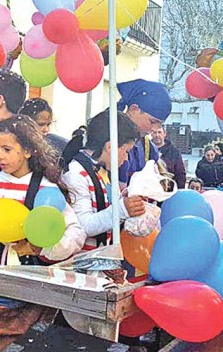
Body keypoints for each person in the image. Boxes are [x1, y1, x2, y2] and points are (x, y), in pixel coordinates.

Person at [0, 115, 86, 270]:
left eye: (7, 149)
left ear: (28, 151)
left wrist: (45, 249)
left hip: (30, 271)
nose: (0, 155)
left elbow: (76, 233)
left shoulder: (46, 189)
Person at [62, 111, 144, 251]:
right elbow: (81, 226)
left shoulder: (106, 172)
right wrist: (122, 209)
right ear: (110, 147)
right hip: (79, 265)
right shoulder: (76, 174)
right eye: (126, 151)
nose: (126, 159)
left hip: (100, 262)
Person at [117, 80, 172, 184]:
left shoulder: (146, 145)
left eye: (159, 124)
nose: (154, 129)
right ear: (134, 109)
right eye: (152, 122)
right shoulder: (108, 136)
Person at [150, 125, 186, 189]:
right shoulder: (146, 149)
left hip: (168, 188)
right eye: (154, 132)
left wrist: (179, 191)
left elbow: (180, 174)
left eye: (159, 132)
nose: (157, 135)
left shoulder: (174, 152)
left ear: (164, 134)